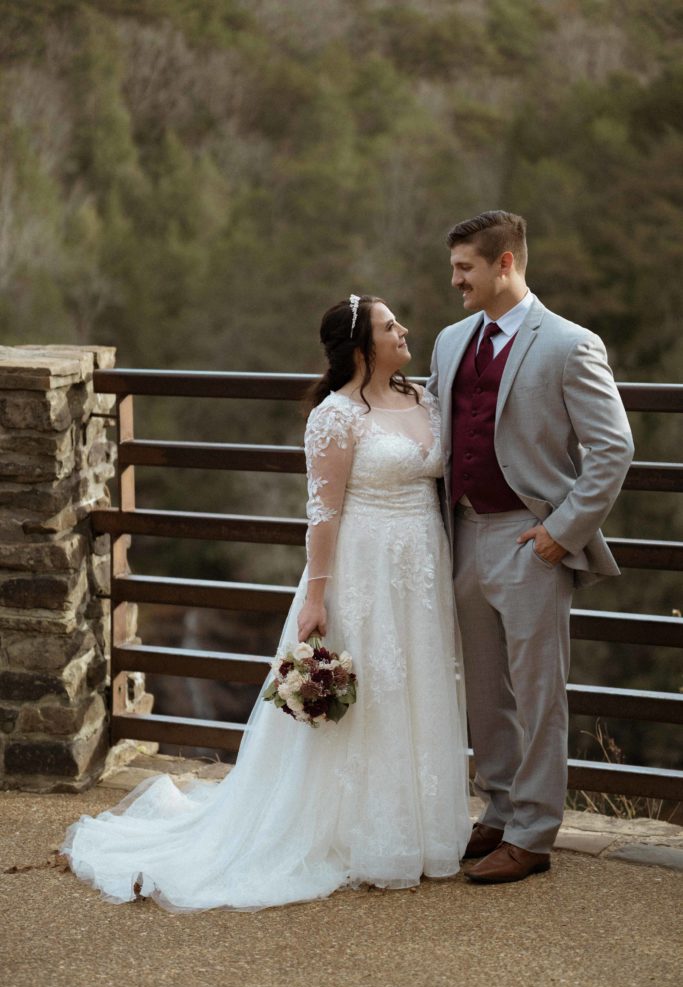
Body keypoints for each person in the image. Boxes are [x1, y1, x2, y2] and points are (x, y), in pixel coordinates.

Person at [61, 294, 471, 912]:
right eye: (391, 326)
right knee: (367, 692)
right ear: (363, 347)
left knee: (416, 684)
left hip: (421, 568)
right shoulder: (334, 417)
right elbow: (324, 513)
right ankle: (357, 832)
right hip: (362, 569)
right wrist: (316, 597)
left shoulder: (424, 398)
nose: (404, 330)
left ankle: (416, 829)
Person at [426, 210, 634, 884]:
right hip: (462, 534)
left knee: (539, 692)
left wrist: (559, 532)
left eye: (465, 267)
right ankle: (501, 807)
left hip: (528, 538)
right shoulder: (450, 340)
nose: (453, 278)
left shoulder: (570, 344)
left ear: (504, 264)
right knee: (484, 692)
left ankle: (535, 833)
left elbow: (613, 449)